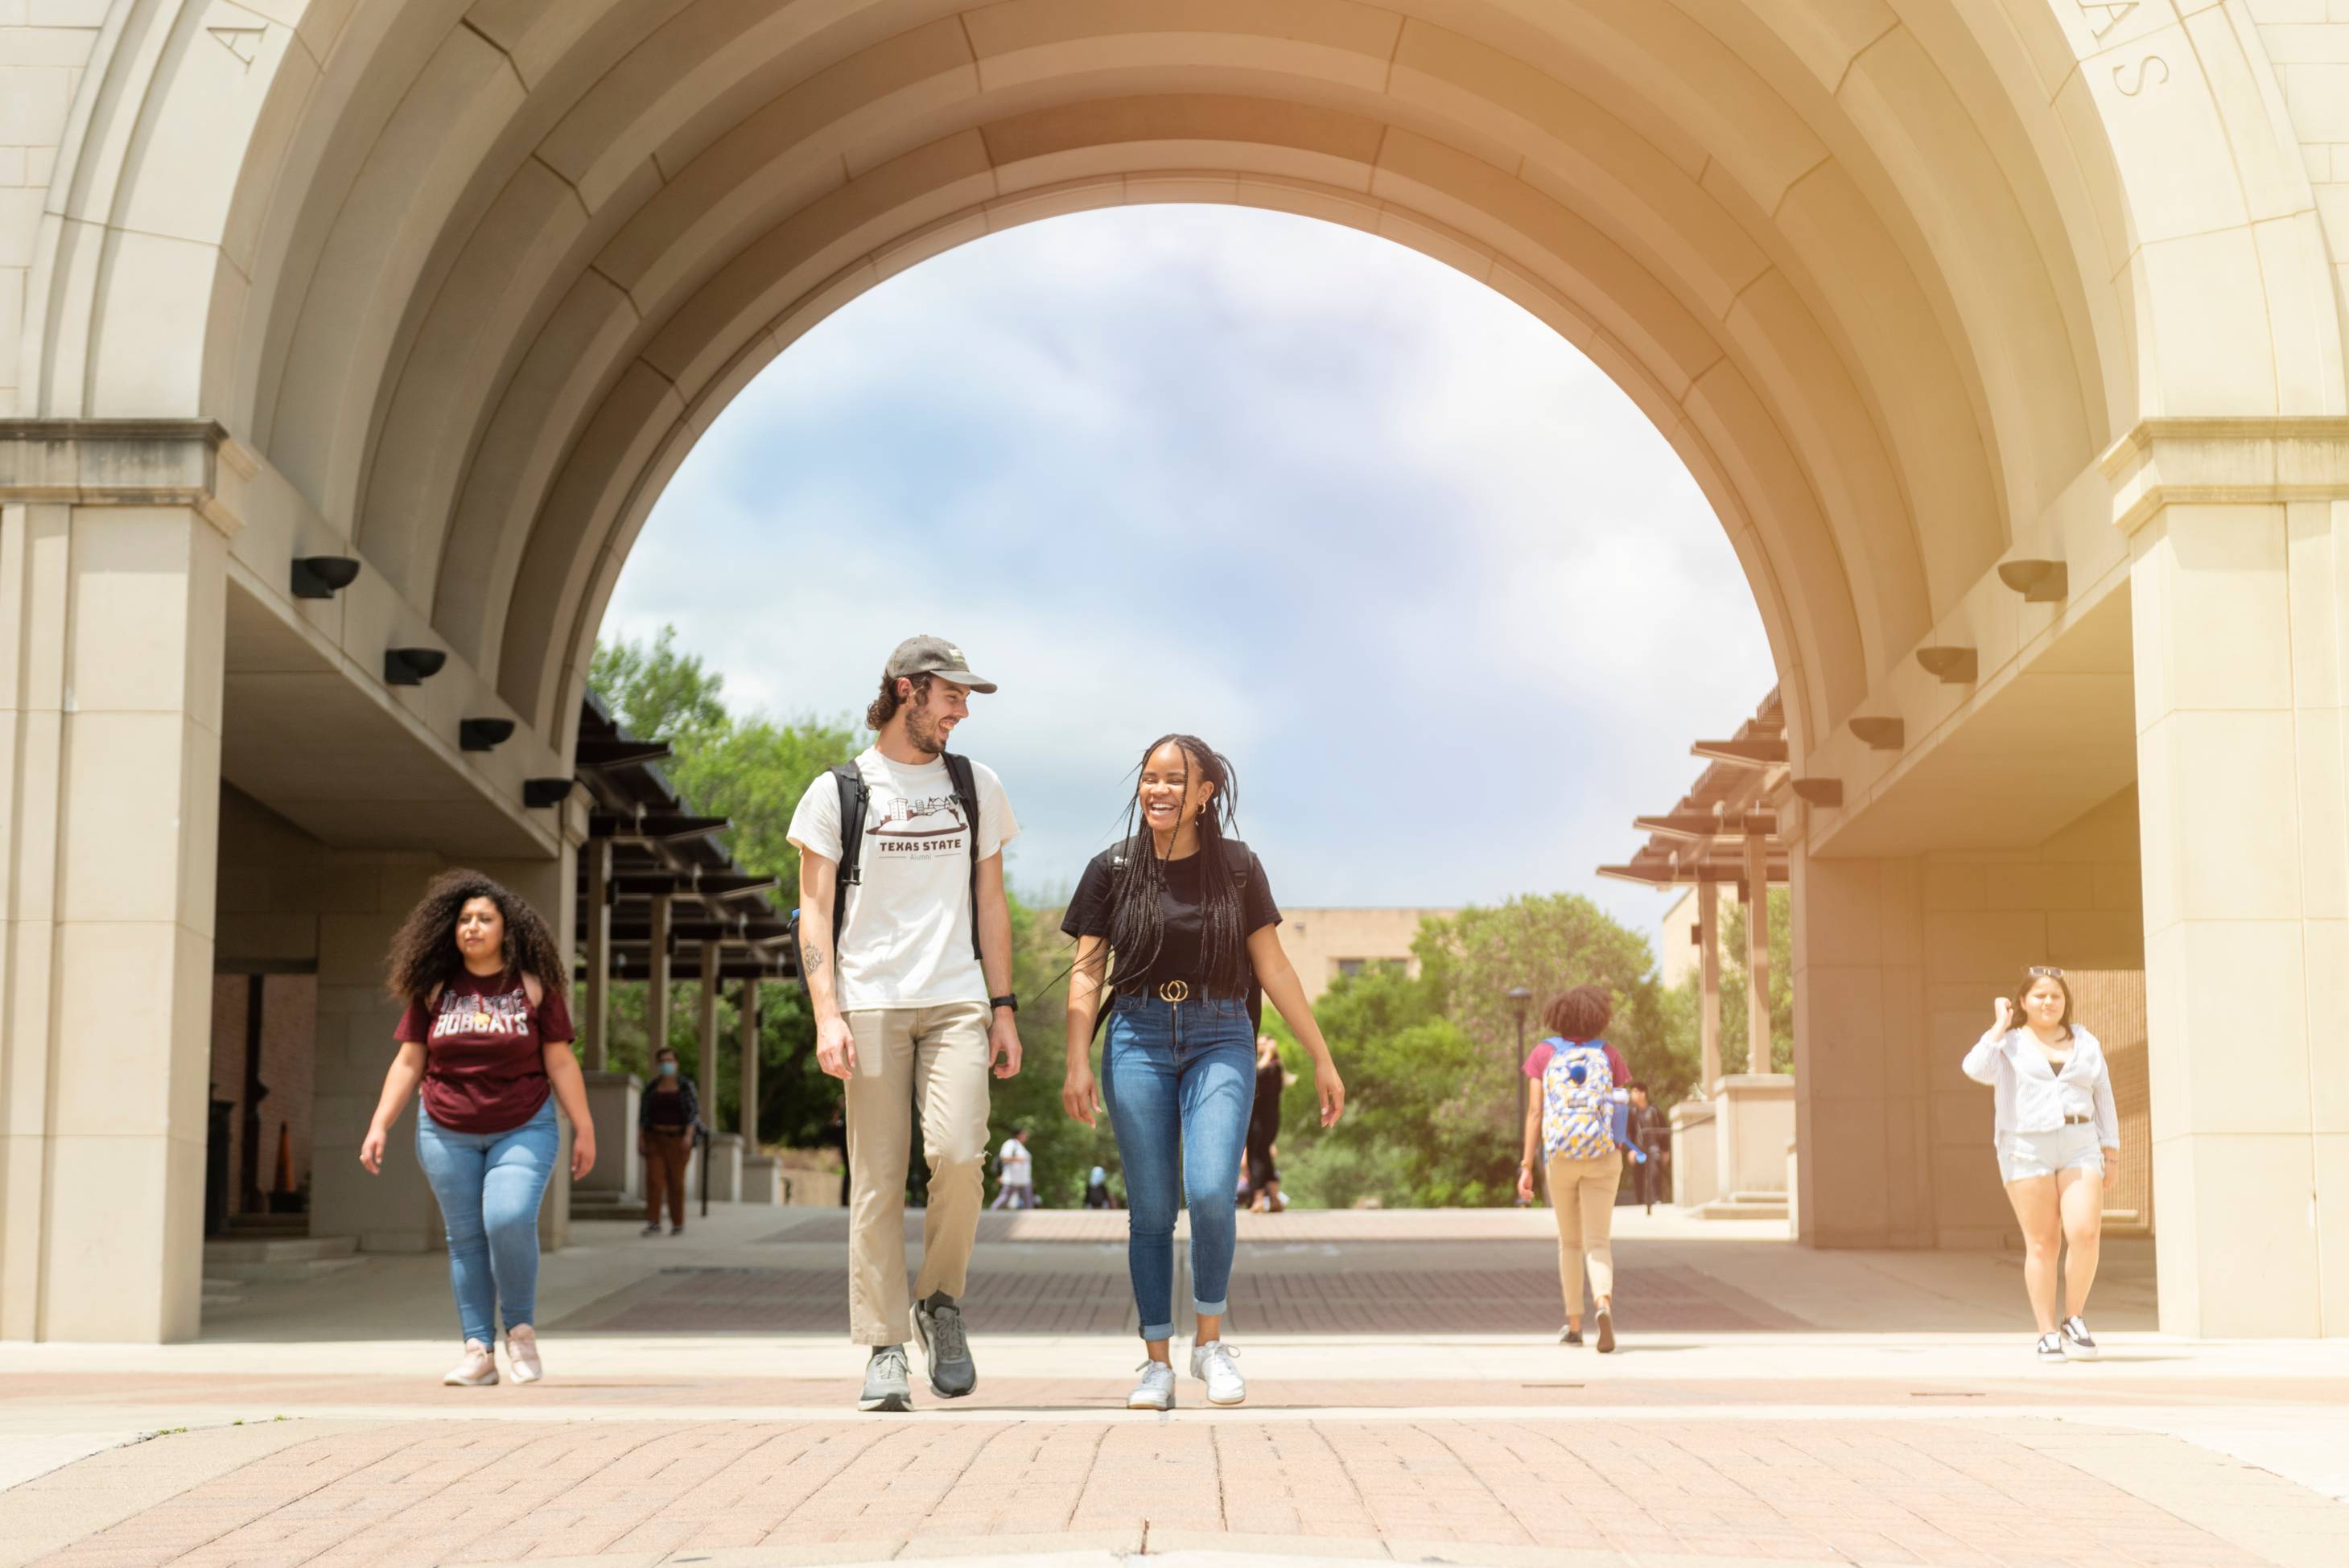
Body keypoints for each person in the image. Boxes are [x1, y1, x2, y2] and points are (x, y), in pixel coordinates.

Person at [1061, 734, 1346, 1411]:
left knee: (1214, 1188)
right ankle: (1156, 1359)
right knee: (1153, 1209)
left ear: (1203, 794)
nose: (1157, 790)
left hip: (1221, 1032)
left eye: (1173, 780)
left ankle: (1210, 1345)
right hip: (1135, 1034)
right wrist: (1076, 1058)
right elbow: (1086, 969)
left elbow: (1273, 966)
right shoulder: (1112, 867)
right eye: (1149, 778)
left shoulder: (1239, 868)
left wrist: (1320, 1053)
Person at [789, 636, 1021, 1413]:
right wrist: (828, 1013)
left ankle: (939, 1303)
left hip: (956, 997)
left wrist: (1004, 1007)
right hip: (871, 1001)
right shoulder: (837, 791)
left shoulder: (976, 785)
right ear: (905, 691)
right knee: (878, 1180)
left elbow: (991, 904)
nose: (960, 711)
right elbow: (814, 913)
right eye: (950, 696)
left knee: (958, 1155)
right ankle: (885, 1347)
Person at [361, 869, 594, 1387]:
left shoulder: (534, 987)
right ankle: (477, 1350)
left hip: (524, 1124)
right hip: (445, 1128)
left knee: (508, 1218)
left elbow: (559, 1062)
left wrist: (584, 1127)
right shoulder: (435, 989)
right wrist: (380, 1124)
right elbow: (408, 1061)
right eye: (464, 919)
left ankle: (521, 1333)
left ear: (505, 929)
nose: (472, 927)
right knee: (465, 1238)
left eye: (484, 919)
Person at [1961, 966, 2119, 1361]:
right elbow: (1974, 1069)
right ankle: (2046, 1331)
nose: (2049, 1002)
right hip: (2025, 1146)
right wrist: (1999, 1026)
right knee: (2043, 1242)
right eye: (2039, 996)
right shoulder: (2009, 1044)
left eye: (2056, 996)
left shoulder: (2085, 1041)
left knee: (2084, 1233)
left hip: (2080, 1142)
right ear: (2023, 1002)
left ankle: (2074, 1317)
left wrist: (2111, 1150)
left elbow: (2104, 1095)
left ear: (2065, 1002)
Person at [1517, 984, 1624, 1353]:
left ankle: (1575, 1326)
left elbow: (1535, 1113)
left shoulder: (1544, 1053)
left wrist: (1527, 1165)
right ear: (1599, 1016)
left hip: (1561, 1156)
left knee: (1570, 1241)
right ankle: (1604, 1305)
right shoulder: (1608, 1053)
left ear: (1557, 1016)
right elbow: (1621, 1105)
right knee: (1598, 1241)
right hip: (1602, 1156)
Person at [638, 1047, 701, 1236]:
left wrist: (689, 1136)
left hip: (678, 1139)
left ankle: (677, 1222)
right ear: (658, 1064)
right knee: (655, 1180)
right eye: (663, 1061)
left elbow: (693, 1113)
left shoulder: (685, 1086)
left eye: (670, 1060)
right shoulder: (651, 1088)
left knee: (676, 1182)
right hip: (655, 1138)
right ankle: (653, 1222)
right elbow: (643, 1116)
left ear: (676, 1063)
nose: (667, 1064)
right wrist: (640, 1138)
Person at [1246, 1035, 1295, 1212]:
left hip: (1264, 1119)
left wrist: (1269, 1054)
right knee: (1263, 1156)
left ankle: (1259, 1198)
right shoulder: (1260, 1063)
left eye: (1264, 1044)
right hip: (1255, 1118)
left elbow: (1256, 1077)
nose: (1260, 1046)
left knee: (1256, 1156)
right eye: (1258, 1043)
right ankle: (1274, 1199)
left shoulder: (1273, 1067)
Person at [1626, 1082, 1670, 1212]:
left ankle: (1657, 1199)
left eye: (1635, 1091)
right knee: (1638, 1173)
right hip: (1638, 1148)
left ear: (1643, 1093)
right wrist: (1630, 1150)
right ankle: (1640, 1201)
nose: (1633, 1095)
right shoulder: (1631, 1112)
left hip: (1654, 1146)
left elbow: (1663, 1131)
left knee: (1655, 1170)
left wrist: (1666, 1150)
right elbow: (1628, 1133)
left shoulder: (1654, 1111)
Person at [991, 1126, 1036, 1209]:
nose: (1026, 1136)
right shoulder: (1011, 1143)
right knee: (1004, 1198)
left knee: (1028, 1202)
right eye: (1024, 1134)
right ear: (1018, 1135)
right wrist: (1017, 1159)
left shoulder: (1021, 1146)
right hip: (1012, 1179)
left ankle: (1030, 1218)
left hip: (1024, 1180)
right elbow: (1003, 1157)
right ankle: (991, 1213)